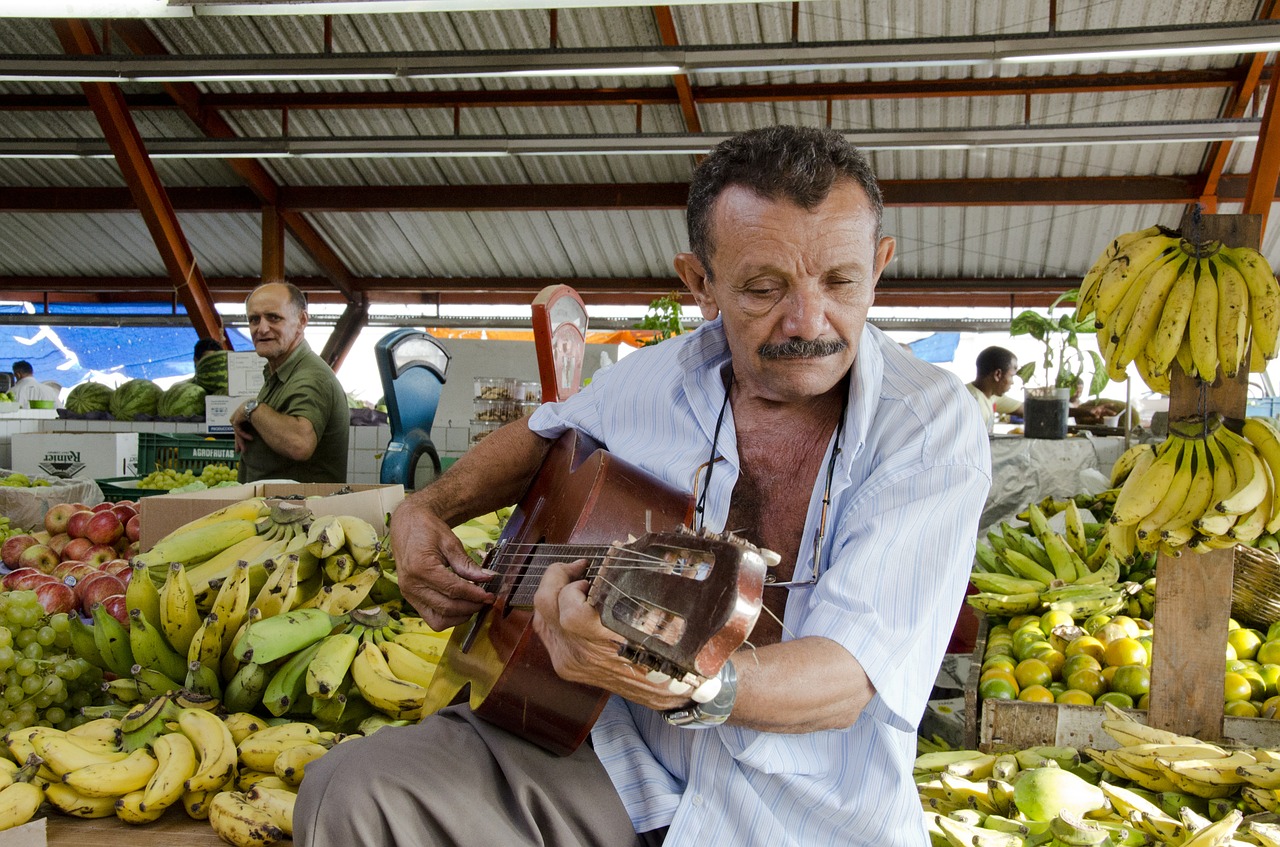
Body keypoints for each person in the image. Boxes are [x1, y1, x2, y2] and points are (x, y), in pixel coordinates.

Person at [295, 126, 991, 847]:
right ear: (700, 284)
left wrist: (694, 684)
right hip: (617, 764)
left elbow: (851, 678)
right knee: (348, 791)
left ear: (880, 265)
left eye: (841, 281)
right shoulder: (653, 378)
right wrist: (426, 507)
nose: (808, 321)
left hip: (808, 815)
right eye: (763, 288)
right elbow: (541, 432)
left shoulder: (928, 427)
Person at [229, 282, 349, 483]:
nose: (262, 328)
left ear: (302, 321)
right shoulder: (281, 372)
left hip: (300, 511)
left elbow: (300, 443)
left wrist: (252, 409)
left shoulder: (311, 377)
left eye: (274, 318)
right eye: (254, 319)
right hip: (277, 509)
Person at [966, 346, 1023, 433]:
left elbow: (1024, 409)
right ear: (998, 375)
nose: (1012, 382)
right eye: (1011, 376)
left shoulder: (991, 395)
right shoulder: (974, 405)